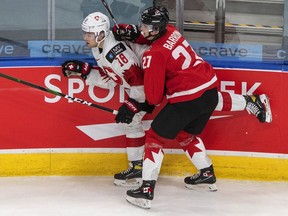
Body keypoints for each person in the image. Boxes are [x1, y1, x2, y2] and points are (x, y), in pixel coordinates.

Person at [112, 6, 272, 209]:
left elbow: (153, 98)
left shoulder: (153, 55)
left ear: (154, 29)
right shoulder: (172, 31)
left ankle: (145, 191)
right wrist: (131, 32)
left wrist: (137, 102)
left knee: (154, 138)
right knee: (184, 134)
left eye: (144, 26)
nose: (141, 28)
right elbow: (151, 39)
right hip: (209, 90)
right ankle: (206, 175)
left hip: (186, 100)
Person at [61, 12, 154, 187]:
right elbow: (112, 79)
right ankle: (137, 167)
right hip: (142, 85)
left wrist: (133, 103)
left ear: (101, 34)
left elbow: (139, 80)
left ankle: (138, 168)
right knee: (132, 123)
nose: (85, 37)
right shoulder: (100, 46)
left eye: (89, 34)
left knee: (136, 121)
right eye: (85, 33)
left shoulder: (118, 55)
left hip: (154, 84)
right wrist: (86, 72)